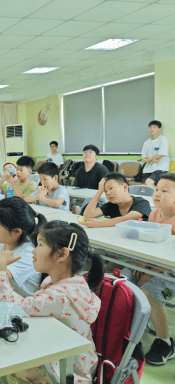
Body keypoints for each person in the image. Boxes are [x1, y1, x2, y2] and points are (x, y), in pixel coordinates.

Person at [0, 221, 104, 384]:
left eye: (40, 245)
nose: (33, 251)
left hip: (61, 374)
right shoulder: (74, 283)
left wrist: (0, 267)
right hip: (66, 363)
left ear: (61, 254)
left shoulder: (59, 298)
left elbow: (4, 307)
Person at [121, 173, 175, 366]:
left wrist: (153, 271)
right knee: (124, 282)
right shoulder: (154, 214)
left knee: (148, 292)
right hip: (153, 262)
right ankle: (127, 329)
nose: (157, 194)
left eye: (165, 191)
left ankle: (165, 342)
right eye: (157, 189)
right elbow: (149, 242)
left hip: (171, 270)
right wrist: (142, 264)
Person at [81, 172, 151, 228]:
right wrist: (99, 191)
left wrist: (97, 224)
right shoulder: (111, 205)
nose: (108, 193)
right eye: (105, 191)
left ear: (125, 187)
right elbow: (88, 215)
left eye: (111, 188)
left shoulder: (142, 203)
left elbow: (127, 219)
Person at [140, 120, 170, 187]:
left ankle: (154, 197)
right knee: (143, 188)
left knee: (148, 182)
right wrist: (150, 160)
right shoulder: (146, 142)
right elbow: (144, 157)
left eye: (154, 127)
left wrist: (149, 160)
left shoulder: (163, 139)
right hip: (148, 169)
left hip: (160, 168)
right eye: (150, 127)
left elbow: (161, 154)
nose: (152, 129)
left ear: (159, 129)